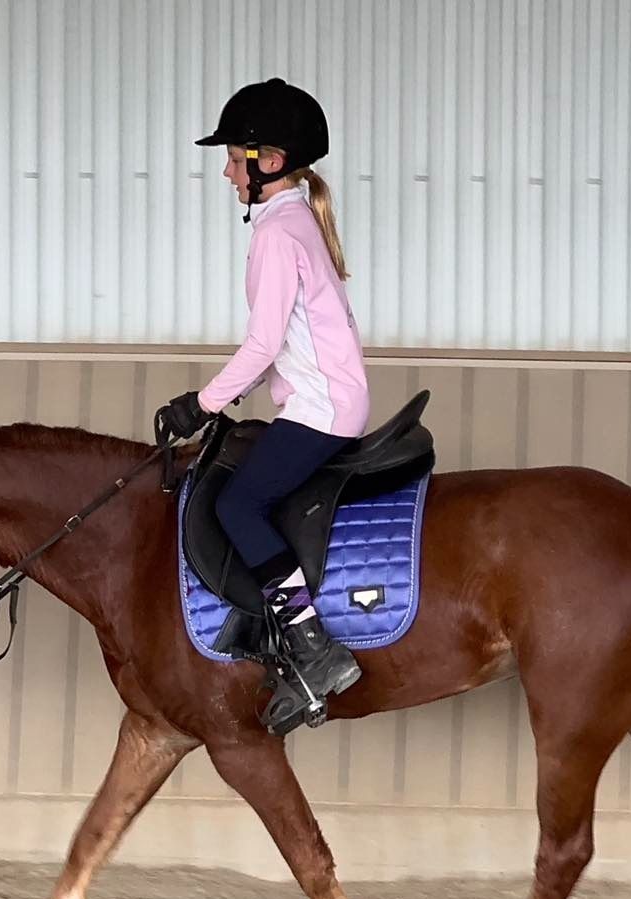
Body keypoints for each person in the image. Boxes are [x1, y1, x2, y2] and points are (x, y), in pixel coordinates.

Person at [157, 77, 370, 722]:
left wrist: (203, 403)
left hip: (322, 408)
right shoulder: (296, 218)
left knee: (238, 504)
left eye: (231, 158)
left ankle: (312, 647)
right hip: (321, 400)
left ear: (268, 162)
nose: (226, 172)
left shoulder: (277, 233)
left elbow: (262, 345)